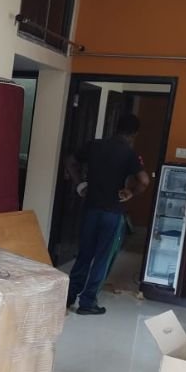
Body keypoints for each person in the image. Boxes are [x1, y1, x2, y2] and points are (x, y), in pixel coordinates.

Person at [64, 113, 150, 315]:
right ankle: (87, 303)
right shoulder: (129, 153)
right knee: (102, 258)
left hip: (91, 209)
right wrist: (131, 192)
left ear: (116, 127)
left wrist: (80, 184)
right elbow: (144, 180)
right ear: (134, 134)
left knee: (84, 255)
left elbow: (70, 161)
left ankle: (68, 297)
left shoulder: (94, 145)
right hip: (112, 213)